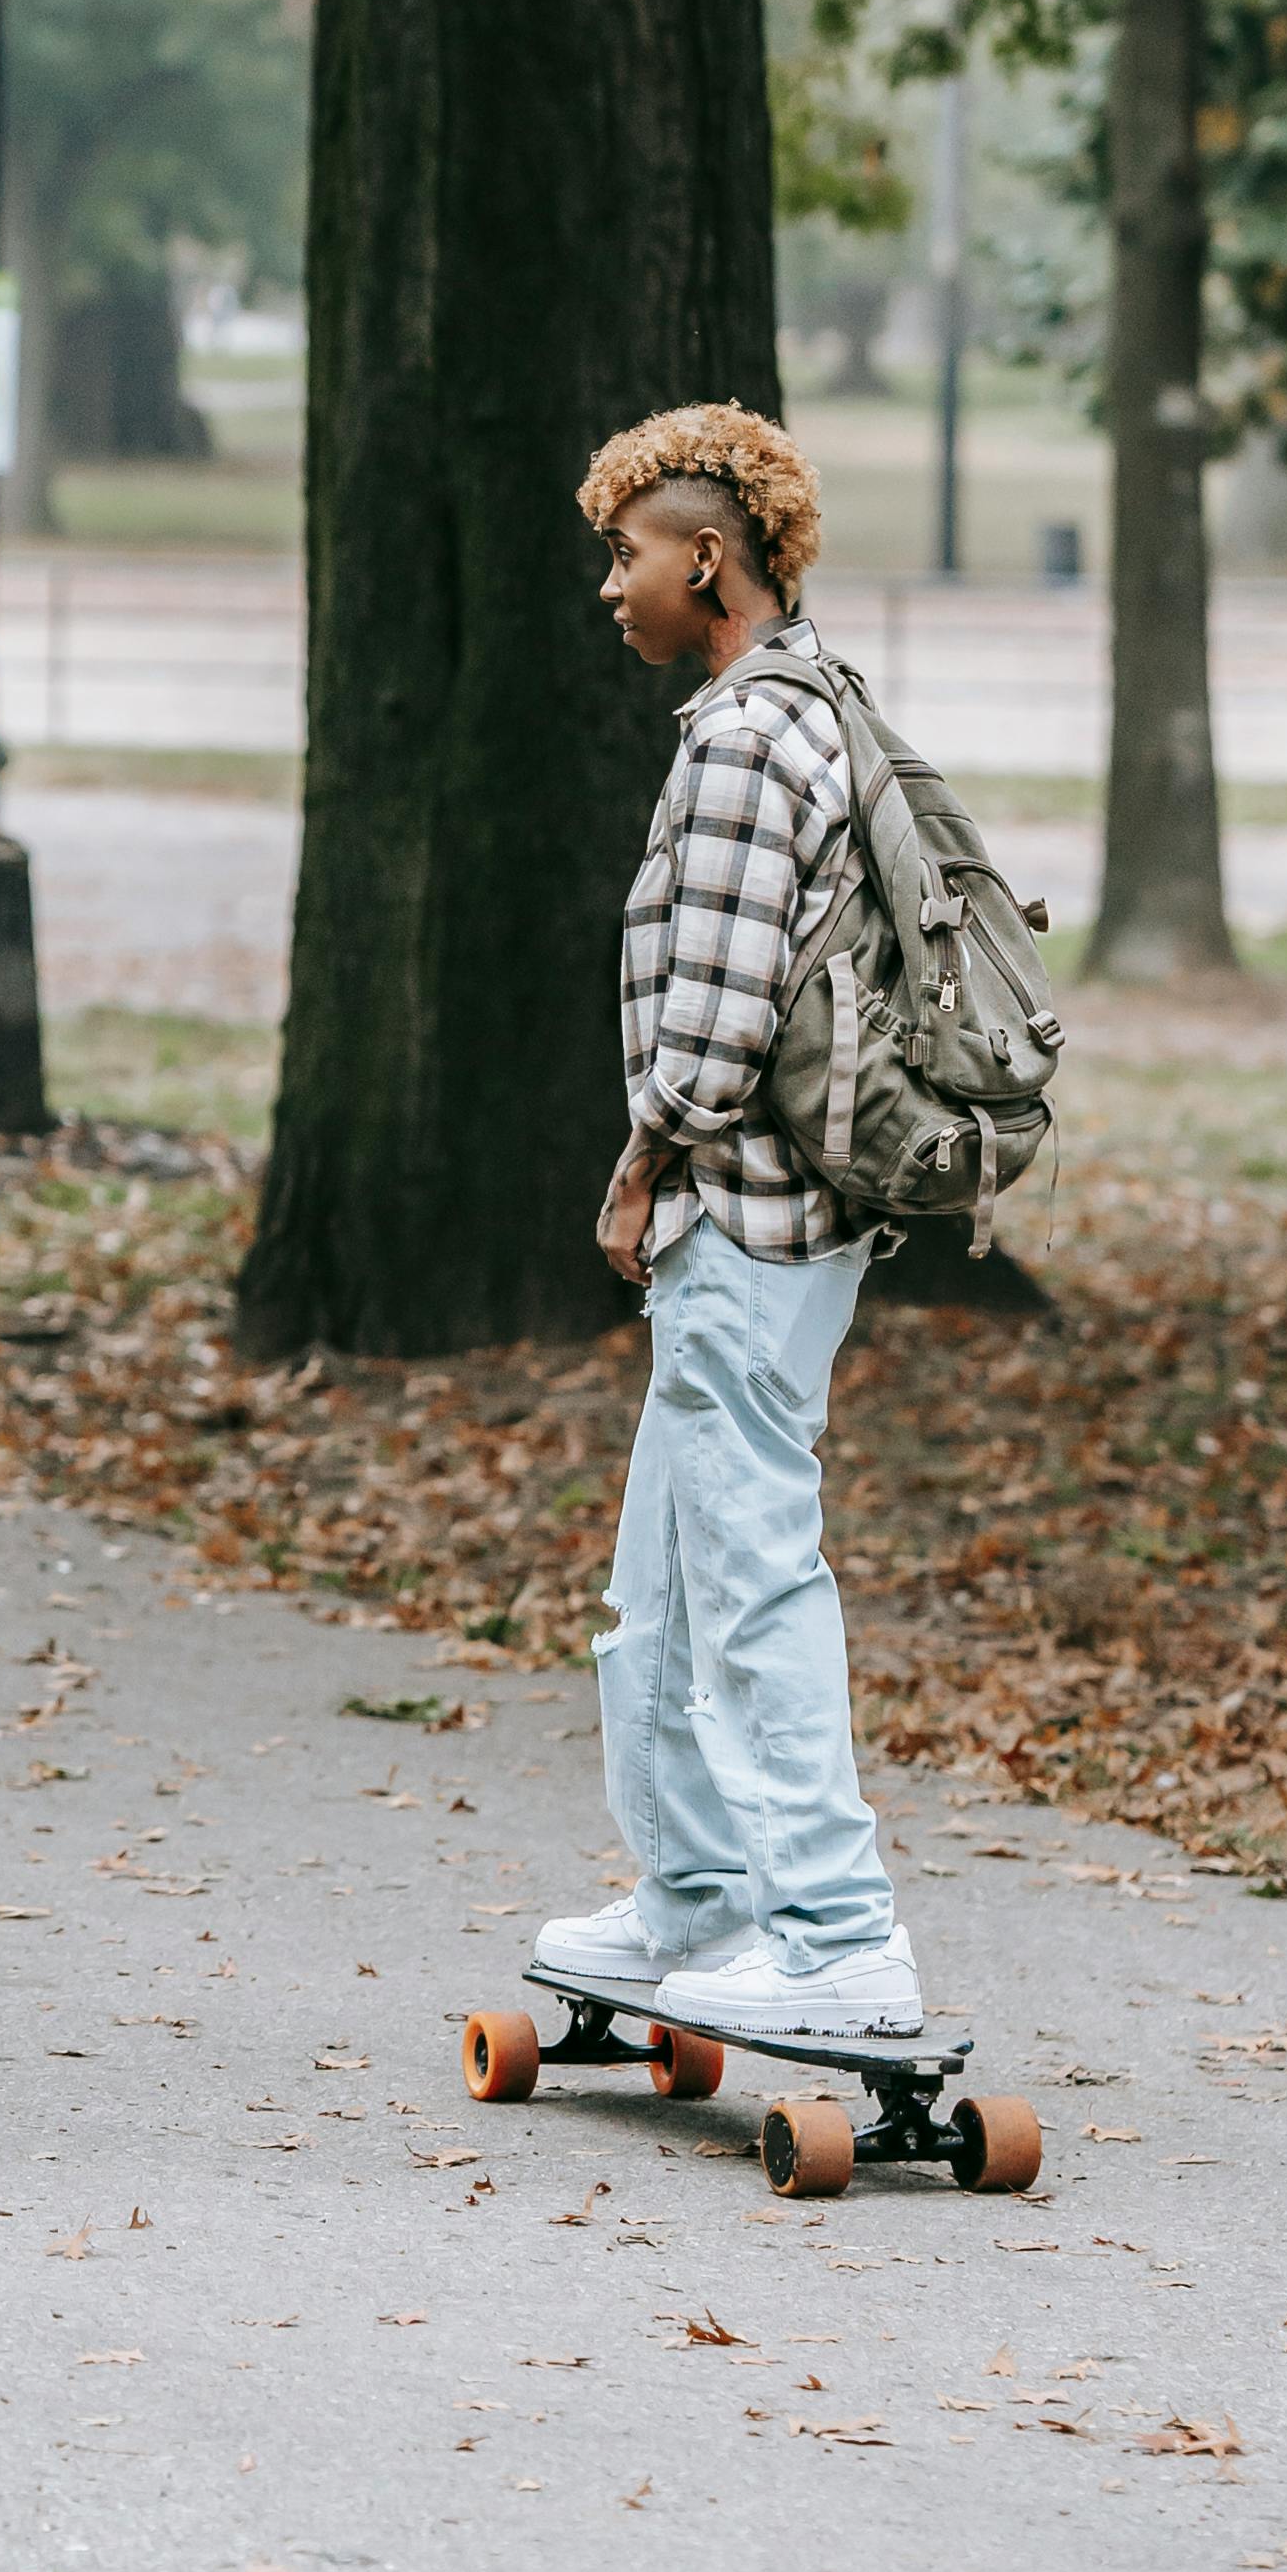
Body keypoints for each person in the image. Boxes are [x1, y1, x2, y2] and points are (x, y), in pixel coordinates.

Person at [534, 400, 929, 2049]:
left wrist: (641, 1165)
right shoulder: (820, 704)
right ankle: (692, 1897)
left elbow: (716, 1002)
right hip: (788, 1220)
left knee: (752, 1576)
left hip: (742, 1221)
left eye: (626, 555)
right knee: (664, 1591)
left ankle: (833, 1933)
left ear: (707, 556)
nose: (611, 587)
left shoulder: (745, 736)